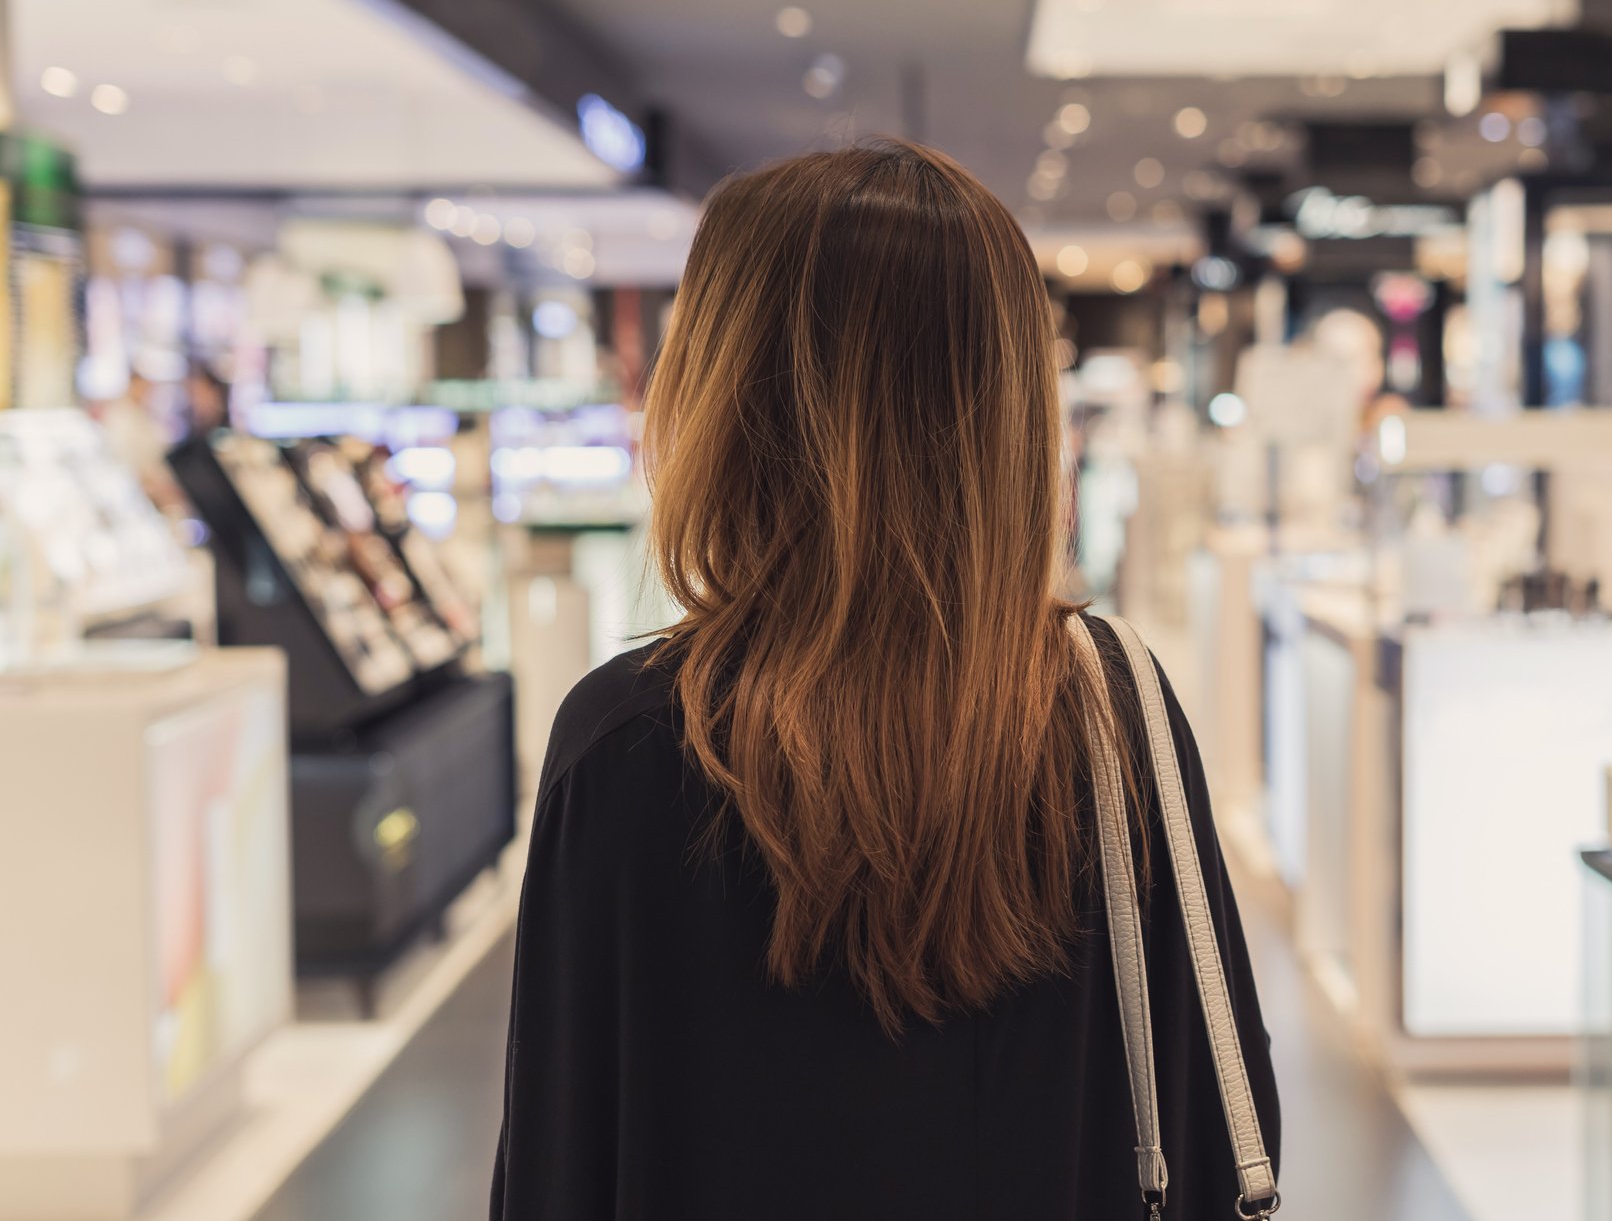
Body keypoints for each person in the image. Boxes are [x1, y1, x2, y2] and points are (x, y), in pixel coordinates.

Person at [491, 139, 1279, 1220]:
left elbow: (559, 1163)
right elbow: (1214, 1116)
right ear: (1010, 409)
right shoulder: (1110, 712)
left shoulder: (629, 742)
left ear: (723, 395)